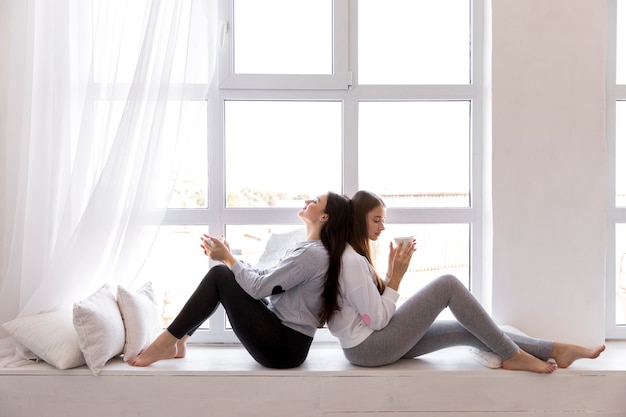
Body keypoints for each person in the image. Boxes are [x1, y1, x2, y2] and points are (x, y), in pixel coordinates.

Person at [326, 190, 605, 373]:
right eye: (376, 220)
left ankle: (556, 349)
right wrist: (397, 278)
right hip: (370, 348)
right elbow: (377, 321)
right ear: (357, 220)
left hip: (369, 346)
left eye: (383, 220)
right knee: (448, 284)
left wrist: (389, 275)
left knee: (467, 328)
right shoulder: (351, 261)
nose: (382, 227)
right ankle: (514, 355)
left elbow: (371, 310)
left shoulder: (355, 258)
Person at [130, 191, 352, 369]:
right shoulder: (310, 249)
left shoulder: (312, 254)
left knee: (220, 276)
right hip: (286, 341)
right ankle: (178, 343)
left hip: (284, 348)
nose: (307, 200)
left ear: (324, 217)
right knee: (227, 275)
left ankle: (166, 343)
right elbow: (266, 277)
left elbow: (258, 289)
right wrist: (230, 257)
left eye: (314, 201)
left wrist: (228, 260)